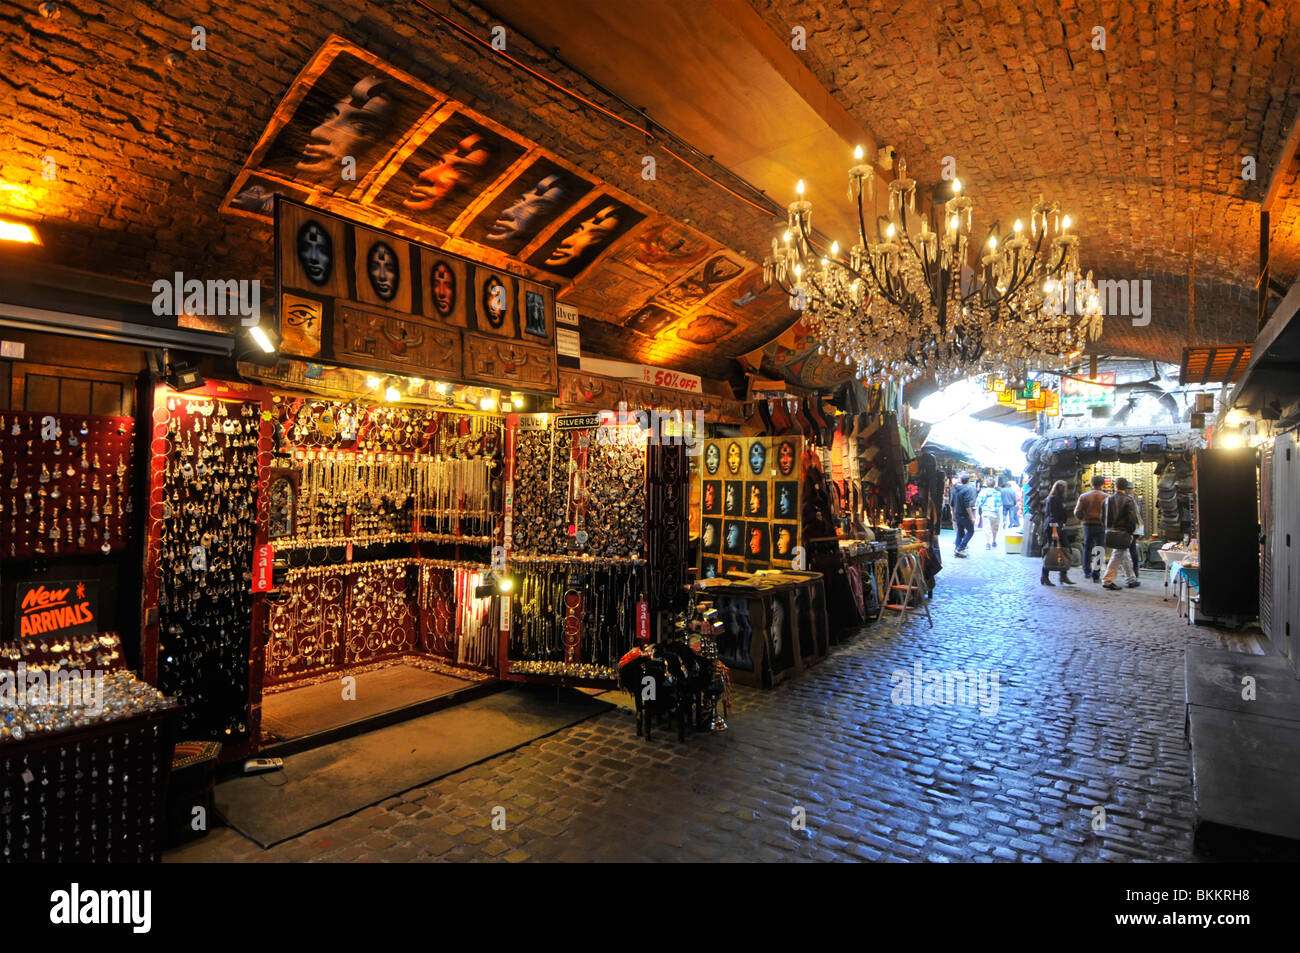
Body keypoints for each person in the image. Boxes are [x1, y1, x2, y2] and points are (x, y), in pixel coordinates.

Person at [1102, 477, 1141, 590]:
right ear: (1126, 487)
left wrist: (1107, 528)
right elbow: (1132, 518)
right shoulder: (1128, 500)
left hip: (1110, 531)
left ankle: (1131, 579)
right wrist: (1130, 531)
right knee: (1117, 555)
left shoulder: (1107, 500)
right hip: (1123, 532)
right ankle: (1107, 580)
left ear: (1115, 486)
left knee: (1124, 555)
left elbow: (1102, 518)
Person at [1041, 479, 1076, 586]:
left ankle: (1063, 574)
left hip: (1059, 527)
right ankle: (1045, 575)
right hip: (1053, 528)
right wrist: (1055, 531)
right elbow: (1053, 516)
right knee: (1052, 551)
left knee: (1065, 549)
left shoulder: (1060, 499)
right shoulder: (1053, 499)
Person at [1074, 474, 1108, 583]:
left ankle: (1087, 571)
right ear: (1102, 484)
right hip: (1101, 525)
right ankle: (1096, 573)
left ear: (1092, 483)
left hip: (1088, 524)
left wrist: (1083, 517)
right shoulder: (1106, 497)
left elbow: (1077, 512)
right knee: (1100, 549)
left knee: (1087, 548)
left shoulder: (1084, 496)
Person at [950, 472, 976, 557]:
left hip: (957, 513)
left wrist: (953, 514)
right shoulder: (966, 490)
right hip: (964, 514)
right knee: (971, 531)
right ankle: (961, 548)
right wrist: (972, 517)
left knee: (960, 532)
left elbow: (952, 503)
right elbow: (967, 505)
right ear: (968, 480)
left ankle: (957, 550)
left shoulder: (954, 488)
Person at [976, 477, 1001, 549]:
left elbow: (978, 502)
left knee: (987, 527)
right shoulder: (997, 493)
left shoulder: (983, 492)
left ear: (986, 484)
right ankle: (994, 541)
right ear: (994, 484)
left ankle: (988, 543)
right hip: (995, 512)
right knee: (994, 527)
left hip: (986, 512)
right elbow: (1000, 504)